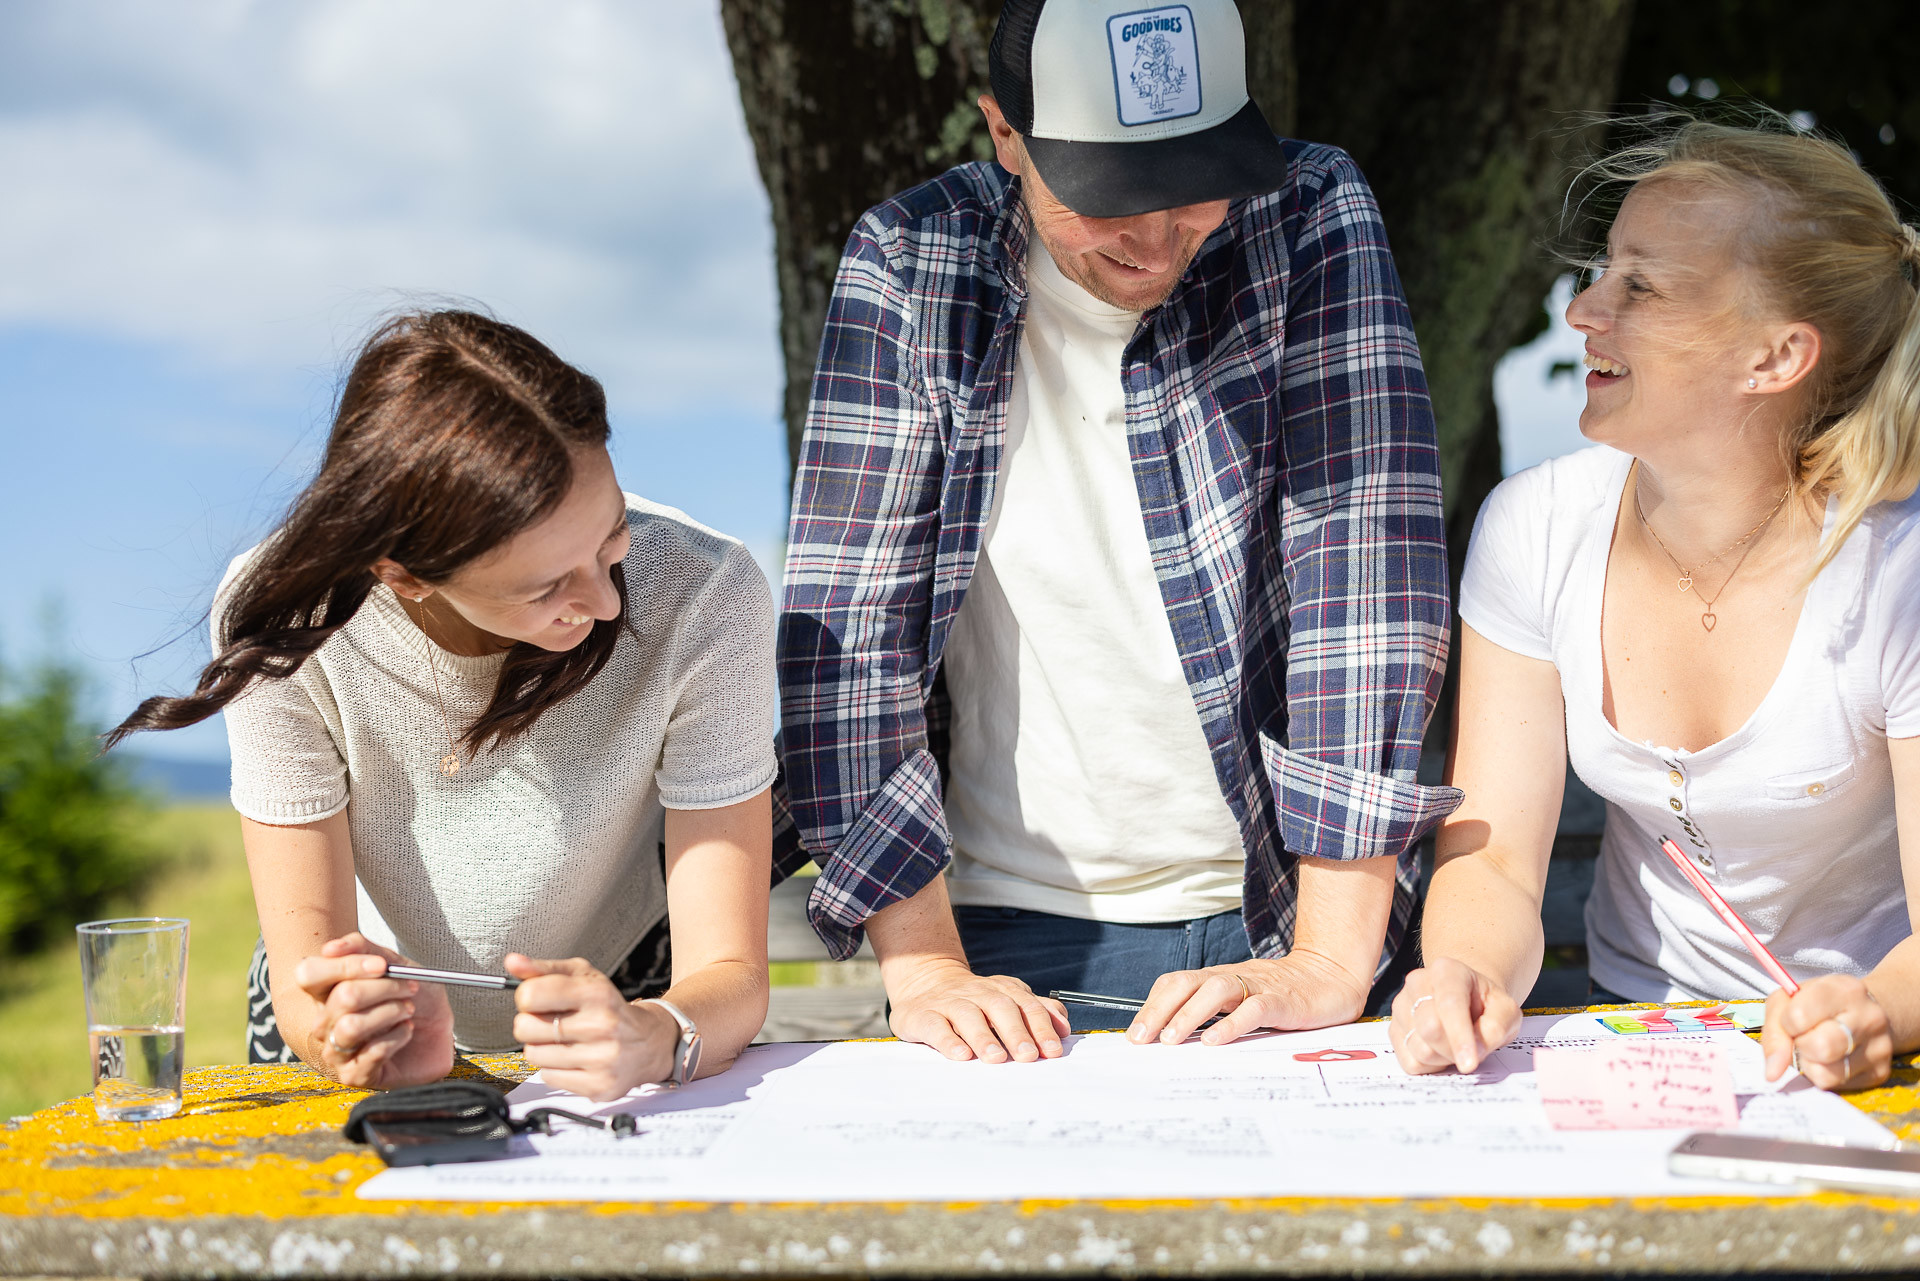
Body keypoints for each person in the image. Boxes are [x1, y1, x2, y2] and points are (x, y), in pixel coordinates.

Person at [778, 0, 1460, 1064]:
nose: (1155, 240)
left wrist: (1328, 962)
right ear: (1007, 132)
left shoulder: (1311, 207)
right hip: (1003, 931)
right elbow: (851, 632)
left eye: (1193, 188)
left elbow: (1363, 576)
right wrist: (925, 970)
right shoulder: (909, 263)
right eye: (1110, 199)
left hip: (1296, 908)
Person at [107, 311, 779, 1099]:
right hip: (365, 1007)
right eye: (547, 586)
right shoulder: (285, 623)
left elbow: (728, 973)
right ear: (403, 574)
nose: (602, 601)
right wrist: (353, 1038)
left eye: (613, 537)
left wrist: (658, 1034)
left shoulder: (705, 593)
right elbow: (306, 979)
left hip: (621, 990)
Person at [1391, 117, 1920, 1091]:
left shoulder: (1898, 572)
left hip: (1864, 1059)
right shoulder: (1535, 527)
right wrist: (1459, 973)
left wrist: (1876, 1009)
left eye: (1641, 285)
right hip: (1624, 1038)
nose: (1585, 309)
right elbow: (1498, 862)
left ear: (1773, 357)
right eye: (1603, 272)